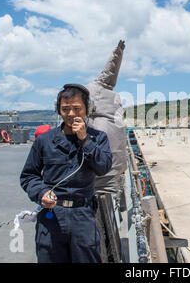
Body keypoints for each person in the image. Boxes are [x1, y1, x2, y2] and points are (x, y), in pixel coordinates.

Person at [20, 84, 112, 263]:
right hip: (51, 214)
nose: (71, 114)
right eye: (65, 109)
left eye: (77, 109)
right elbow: (28, 176)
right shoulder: (44, 141)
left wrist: (85, 140)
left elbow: (103, 167)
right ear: (58, 110)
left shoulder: (98, 138)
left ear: (88, 109)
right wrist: (41, 193)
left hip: (83, 215)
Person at [85, 40, 128, 262]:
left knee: (97, 228)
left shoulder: (93, 116)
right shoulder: (113, 107)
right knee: (111, 224)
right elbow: (109, 72)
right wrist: (119, 51)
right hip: (115, 176)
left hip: (97, 181)